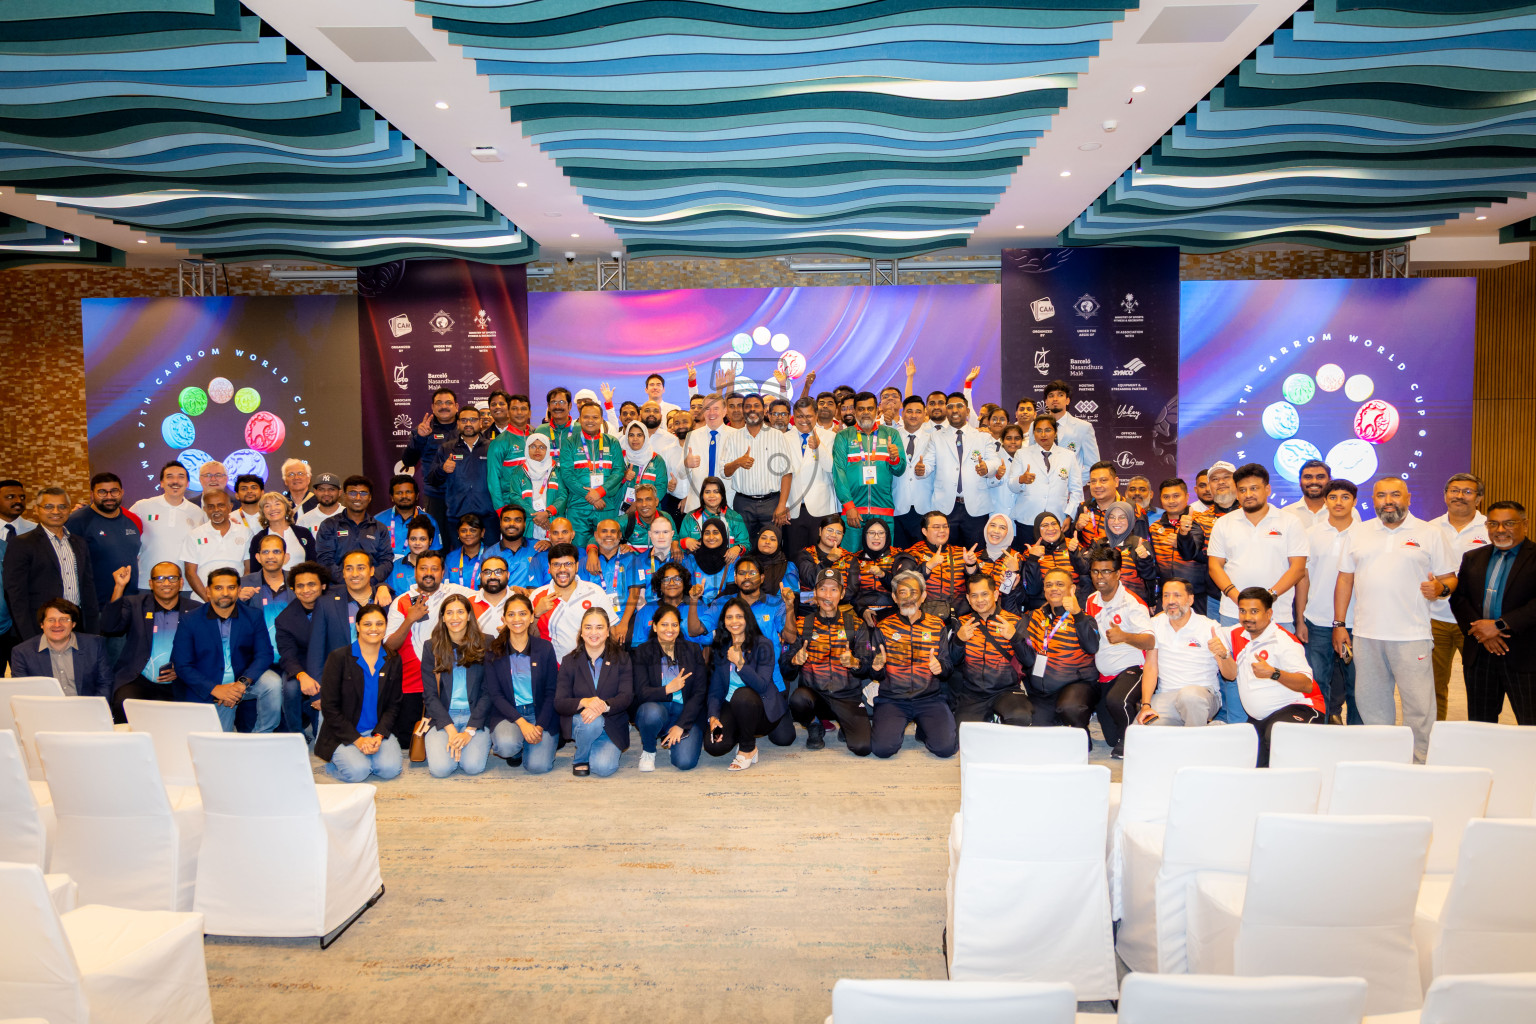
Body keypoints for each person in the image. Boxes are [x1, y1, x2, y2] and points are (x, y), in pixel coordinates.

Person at [1334, 477, 1457, 761]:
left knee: (1419, 707)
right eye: (1381, 495)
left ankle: (1420, 763)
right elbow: (1344, 580)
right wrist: (1340, 624)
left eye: (1395, 495)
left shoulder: (1430, 533)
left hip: (1412, 636)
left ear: (1408, 498)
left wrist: (1440, 588)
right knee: (1372, 704)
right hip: (1367, 635)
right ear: (1373, 499)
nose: (1388, 501)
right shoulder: (1359, 532)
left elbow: (1449, 577)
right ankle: (1383, 761)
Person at [1206, 462, 1307, 723]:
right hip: (1232, 613)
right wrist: (1236, 597)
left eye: (1254, 488)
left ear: (1268, 489)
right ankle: (1238, 730)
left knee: (1279, 672)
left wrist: (1268, 598)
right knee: (1234, 674)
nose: (1248, 494)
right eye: (1243, 490)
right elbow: (1215, 566)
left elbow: (1297, 568)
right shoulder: (1224, 523)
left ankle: (1276, 730)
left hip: (1278, 613)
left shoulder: (1290, 522)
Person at [1211, 588, 1325, 767]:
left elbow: (1307, 685)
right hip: (1260, 719)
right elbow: (1229, 673)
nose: (1247, 617)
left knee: (1280, 736)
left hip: (1300, 708)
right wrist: (1222, 653)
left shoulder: (1284, 641)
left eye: (1254, 611)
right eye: (1243, 611)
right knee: (1248, 763)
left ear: (1269, 613)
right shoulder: (1235, 633)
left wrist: (1274, 673)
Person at [1452, 501, 1535, 724]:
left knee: (1530, 723)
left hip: (1525, 655)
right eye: (1493, 524)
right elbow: (1460, 599)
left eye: (1508, 523)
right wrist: (1482, 633)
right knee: (1480, 723)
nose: (1500, 530)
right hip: (1480, 653)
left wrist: (1498, 626)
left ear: (1524, 525)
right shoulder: (1473, 557)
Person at [169, 566, 281, 732]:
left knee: (273, 683)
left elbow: (264, 654)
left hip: (242, 681)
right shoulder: (190, 620)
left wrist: (242, 684)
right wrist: (215, 689)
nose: (225, 593)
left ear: (238, 590)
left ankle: (262, 735)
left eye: (231, 587)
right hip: (209, 686)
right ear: (208, 591)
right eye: (218, 588)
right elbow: (182, 665)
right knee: (215, 746)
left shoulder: (253, 616)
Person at [385, 551, 474, 751]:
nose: (429, 573)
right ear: (415, 571)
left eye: (434, 569)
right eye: (423, 568)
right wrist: (409, 619)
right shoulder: (401, 601)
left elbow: (488, 596)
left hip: (449, 679)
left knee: (445, 736)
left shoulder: (455, 593)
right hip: (412, 681)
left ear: (443, 572)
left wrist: (516, 590)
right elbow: (390, 646)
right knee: (408, 742)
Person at [1291, 479, 1361, 724]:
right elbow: (1303, 579)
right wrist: (1300, 619)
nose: (1338, 502)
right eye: (1333, 497)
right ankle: (1319, 733)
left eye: (1345, 497)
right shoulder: (1310, 534)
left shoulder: (1365, 534)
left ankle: (1357, 736)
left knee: (1357, 687)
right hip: (1317, 620)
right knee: (1318, 684)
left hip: (1357, 622)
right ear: (1325, 500)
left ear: (1354, 501)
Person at [783, 569, 875, 754]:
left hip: (847, 696)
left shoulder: (856, 624)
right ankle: (814, 725)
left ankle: (846, 725)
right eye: (823, 589)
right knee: (798, 698)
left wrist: (855, 663)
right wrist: (794, 660)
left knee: (863, 747)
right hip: (816, 698)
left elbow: (868, 665)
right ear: (815, 593)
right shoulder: (802, 624)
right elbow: (786, 669)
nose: (827, 595)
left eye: (834, 590)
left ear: (841, 594)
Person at [867, 571, 957, 759]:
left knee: (945, 749)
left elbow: (948, 666)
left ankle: (924, 729)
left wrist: (940, 667)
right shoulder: (883, 627)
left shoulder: (937, 625)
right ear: (894, 597)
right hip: (893, 699)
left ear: (923, 596)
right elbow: (875, 674)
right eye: (902, 593)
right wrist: (876, 668)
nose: (908, 598)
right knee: (882, 750)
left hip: (929, 699)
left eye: (914, 593)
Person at [315, 604, 403, 782]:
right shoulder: (338, 658)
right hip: (343, 732)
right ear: (357, 626)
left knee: (389, 770)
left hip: (376, 730)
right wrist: (358, 740)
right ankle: (337, 760)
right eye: (367, 624)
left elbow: (394, 704)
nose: (374, 629)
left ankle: (365, 753)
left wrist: (378, 735)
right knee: (358, 772)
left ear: (386, 626)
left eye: (379, 624)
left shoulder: (393, 659)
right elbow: (329, 708)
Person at [704, 596, 794, 770]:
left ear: (747, 618)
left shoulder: (764, 645)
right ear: (723, 621)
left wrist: (740, 664)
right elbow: (715, 691)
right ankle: (739, 731)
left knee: (742, 695)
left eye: (739, 616)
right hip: (731, 706)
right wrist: (713, 717)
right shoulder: (722, 648)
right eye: (729, 617)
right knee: (714, 746)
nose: (734, 621)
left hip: (761, 709)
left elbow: (761, 685)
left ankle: (747, 749)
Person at [100, 561, 194, 722]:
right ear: (151, 583)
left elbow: (204, 650)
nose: (166, 583)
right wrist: (119, 587)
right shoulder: (135, 604)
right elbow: (110, 627)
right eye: (160, 578)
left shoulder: (195, 610)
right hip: (137, 679)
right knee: (124, 704)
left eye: (172, 578)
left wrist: (182, 670)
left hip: (178, 682)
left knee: (174, 722)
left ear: (181, 582)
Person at [1428, 473, 1490, 720]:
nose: (1460, 496)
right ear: (1445, 495)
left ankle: (1479, 736)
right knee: (1433, 688)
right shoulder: (1430, 529)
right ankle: (1433, 738)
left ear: (1479, 499)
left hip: (1476, 621)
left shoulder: (1490, 529)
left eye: (1467, 491)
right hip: (1435, 619)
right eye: (1454, 490)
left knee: (1481, 686)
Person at [1084, 544, 1155, 757]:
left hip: (1133, 668)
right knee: (1110, 737)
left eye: (1106, 571)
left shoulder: (1132, 603)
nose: (1100, 577)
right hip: (1105, 675)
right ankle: (1127, 732)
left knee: (1118, 701)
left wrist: (1125, 636)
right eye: (1095, 571)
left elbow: (1150, 641)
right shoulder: (1091, 600)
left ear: (1118, 573)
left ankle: (1132, 742)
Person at [4, 486, 99, 639]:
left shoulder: (79, 543)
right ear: (36, 509)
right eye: (49, 506)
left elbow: (88, 587)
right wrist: (29, 636)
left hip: (77, 625)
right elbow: (16, 595)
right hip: (41, 627)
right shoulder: (22, 544)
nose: (56, 512)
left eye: (62, 506)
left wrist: (93, 630)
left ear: (69, 510)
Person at [484, 593, 561, 773]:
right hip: (508, 714)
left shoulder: (544, 648)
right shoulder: (493, 651)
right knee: (506, 746)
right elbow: (495, 695)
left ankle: (530, 743)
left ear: (531, 616)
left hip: (540, 713)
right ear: (504, 618)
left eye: (522, 613)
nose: (517, 619)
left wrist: (539, 725)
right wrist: (522, 723)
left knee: (538, 767)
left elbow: (552, 691)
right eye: (511, 615)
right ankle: (516, 749)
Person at [419, 593, 493, 777]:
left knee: (472, 767)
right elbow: (430, 695)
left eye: (460, 612)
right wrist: (451, 730)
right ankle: (454, 748)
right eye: (449, 613)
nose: (455, 617)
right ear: (443, 617)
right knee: (440, 770)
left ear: (469, 615)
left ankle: (464, 749)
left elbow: (489, 691)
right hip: (443, 717)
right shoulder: (431, 647)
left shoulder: (486, 643)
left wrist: (469, 730)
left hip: (475, 717)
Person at [1018, 567, 1101, 731]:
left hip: (1076, 686)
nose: (1053, 588)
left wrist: (1077, 614)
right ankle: (1056, 721)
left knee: (1069, 708)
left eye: (1059, 584)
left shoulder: (1083, 618)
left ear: (1072, 589)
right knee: (1035, 731)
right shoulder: (1034, 616)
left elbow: (1092, 647)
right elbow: (1025, 653)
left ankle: (1080, 731)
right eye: (1048, 585)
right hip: (1043, 691)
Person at [1130, 579, 1221, 728]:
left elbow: (1230, 675)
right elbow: (1151, 667)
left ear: (1191, 599)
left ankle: (1196, 745)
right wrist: (1146, 704)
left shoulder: (1210, 627)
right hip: (1166, 696)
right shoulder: (1155, 624)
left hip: (1203, 694)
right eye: (1166, 596)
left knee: (1189, 697)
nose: (1171, 601)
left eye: (1177, 595)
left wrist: (1223, 655)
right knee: (1141, 731)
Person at [555, 606, 634, 776]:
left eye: (599, 627)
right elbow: (560, 702)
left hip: (611, 722)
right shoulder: (569, 661)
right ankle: (581, 758)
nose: (593, 632)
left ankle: (592, 744)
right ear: (581, 632)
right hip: (582, 722)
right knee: (594, 722)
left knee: (603, 768)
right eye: (588, 627)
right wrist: (585, 702)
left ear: (607, 632)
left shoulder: (622, 658)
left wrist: (603, 706)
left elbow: (626, 696)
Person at [948, 573, 1032, 726]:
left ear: (995, 594)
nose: (980, 600)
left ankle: (998, 718)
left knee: (1021, 718)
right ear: (968, 598)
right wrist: (959, 640)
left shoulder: (1014, 621)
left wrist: (1014, 637)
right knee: (963, 736)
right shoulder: (962, 623)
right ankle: (989, 719)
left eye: (984, 594)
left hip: (1006, 691)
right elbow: (951, 662)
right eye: (974, 596)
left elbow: (1030, 660)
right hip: (973, 693)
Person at [632, 604, 708, 771]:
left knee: (685, 762)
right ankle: (649, 750)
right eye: (664, 624)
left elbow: (699, 693)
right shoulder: (643, 651)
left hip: (686, 714)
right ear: (654, 626)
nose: (670, 629)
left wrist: (681, 725)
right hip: (659, 710)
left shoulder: (693, 650)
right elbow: (641, 693)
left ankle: (674, 739)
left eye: (674, 624)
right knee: (649, 712)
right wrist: (668, 688)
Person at [830, 392, 906, 554]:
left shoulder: (891, 434)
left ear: (876, 410)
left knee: (883, 561)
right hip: (854, 510)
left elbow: (900, 470)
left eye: (870, 408)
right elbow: (839, 472)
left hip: (883, 509)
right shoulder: (843, 436)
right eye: (861, 409)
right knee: (850, 559)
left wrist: (894, 459)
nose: (865, 412)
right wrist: (849, 505)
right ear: (855, 412)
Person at [721, 392, 798, 545]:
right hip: (743, 503)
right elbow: (725, 472)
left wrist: (782, 505)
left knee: (771, 547)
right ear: (743, 411)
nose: (752, 409)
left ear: (764, 410)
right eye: (748, 406)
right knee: (743, 545)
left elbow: (787, 473)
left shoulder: (777, 436)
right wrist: (738, 462)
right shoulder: (733, 438)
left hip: (772, 502)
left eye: (756, 406)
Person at [307, 550, 391, 681]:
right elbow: (316, 651)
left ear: (372, 571)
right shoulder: (325, 604)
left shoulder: (387, 602)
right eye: (349, 569)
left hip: (381, 682)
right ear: (343, 573)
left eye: (361, 568)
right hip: (340, 683)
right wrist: (317, 694)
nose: (355, 574)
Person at [930, 390, 999, 549]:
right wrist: (922, 469)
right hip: (946, 506)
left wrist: (986, 467)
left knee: (976, 554)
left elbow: (995, 461)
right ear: (946, 411)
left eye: (959, 406)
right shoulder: (936, 437)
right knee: (947, 555)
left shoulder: (983, 436)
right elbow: (927, 463)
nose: (955, 410)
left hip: (976, 507)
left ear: (967, 411)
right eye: (951, 406)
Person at [66, 472, 142, 611]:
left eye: (114, 491)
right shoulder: (77, 521)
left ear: (122, 492)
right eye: (102, 492)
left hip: (130, 603)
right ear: (92, 494)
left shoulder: (131, 521)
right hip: (95, 606)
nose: (109, 496)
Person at [528, 543, 619, 660]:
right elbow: (529, 638)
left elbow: (611, 630)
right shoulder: (537, 596)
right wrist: (536, 614)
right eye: (556, 564)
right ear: (549, 568)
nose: (562, 570)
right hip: (551, 667)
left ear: (576, 566)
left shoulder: (595, 592)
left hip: (590, 666)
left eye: (568, 564)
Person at [9, 598, 113, 699]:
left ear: (73, 624)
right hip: (45, 711)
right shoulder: (22, 653)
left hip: (85, 709)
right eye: (51, 620)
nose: (57, 625)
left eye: (64, 619)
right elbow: (22, 694)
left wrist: (94, 708)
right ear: (42, 624)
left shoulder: (94, 645)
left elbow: (105, 683)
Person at [128, 463, 206, 595]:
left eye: (180, 477)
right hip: (147, 583)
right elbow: (122, 528)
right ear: (162, 483)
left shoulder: (197, 512)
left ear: (187, 483)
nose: (175, 481)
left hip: (183, 585)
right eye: (169, 477)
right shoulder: (142, 507)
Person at [557, 400, 625, 549]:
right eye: (586, 417)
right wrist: (591, 496)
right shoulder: (569, 443)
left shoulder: (612, 442)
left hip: (605, 505)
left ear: (601, 419)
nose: (590, 421)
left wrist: (599, 492)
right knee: (578, 550)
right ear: (579, 419)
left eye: (595, 417)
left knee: (607, 548)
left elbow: (619, 471)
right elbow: (567, 475)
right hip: (578, 506)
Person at [1007, 415, 1082, 547]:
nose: (1043, 434)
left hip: (1057, 521)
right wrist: (1021, 479)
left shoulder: (1068, 456)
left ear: (1055, 432)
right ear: (1033, 432)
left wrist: (1069, 516)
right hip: (1027, 520)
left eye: (1047, 430)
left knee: (1055, 562)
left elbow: (1076, 490)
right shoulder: (1022, 454)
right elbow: (1012, 485)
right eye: (1038, 430)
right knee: (1026, 561)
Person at [273, 561, 326, 738]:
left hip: (331, 664)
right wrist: (302, 676)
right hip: (302, 667)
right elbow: (287, 655)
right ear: (294, 590)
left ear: (323, 585)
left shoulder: (336, 606)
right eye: (300, 586)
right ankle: (295, 733)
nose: (306, 590)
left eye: (311, 584)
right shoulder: (285, 619)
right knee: (290, 687)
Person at [402, 387, 459, 542]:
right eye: (439, 403)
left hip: (463, 496)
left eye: (448, 403)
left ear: (456, 406)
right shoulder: (423, 429)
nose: (444, 406)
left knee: (465, 542)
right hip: (435, 496)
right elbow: (408, 461)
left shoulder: (466, 428)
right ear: (433, 407)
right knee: (437, 543)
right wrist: (419, 438)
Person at [1072, 501, 1157, 605]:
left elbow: (1149, 576)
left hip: (1133, 604)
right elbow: (1084, 569)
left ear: (1130, 520)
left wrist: (1144, 559)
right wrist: (1074, 552)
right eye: (1112, 517)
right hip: (1103, 603)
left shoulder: (1140, 544)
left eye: (1122, 517)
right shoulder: (1099, 542)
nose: (1116, 522)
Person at [314, 476, 393, 586]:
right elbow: (325, 560)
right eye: (352, 493)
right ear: (344, 496)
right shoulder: (329, 525)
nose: (358, 497)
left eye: (363, 493)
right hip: (338, 589)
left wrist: (369, 581)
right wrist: (349, 581)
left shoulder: (379, 528)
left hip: (371, 588)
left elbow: (386, 561)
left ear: (370, 497)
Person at [182, 488, 250, 602]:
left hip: (236, 600)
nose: (216, 510)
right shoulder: (194, 535)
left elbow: (248, 569)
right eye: (211, 506)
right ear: (205, 509)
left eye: (221, 505)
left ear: (230, 507)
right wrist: (208, 599)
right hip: (202, 601)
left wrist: (236, 597)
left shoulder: (245, 532)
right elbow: (190, 572)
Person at [1147, 478, 1205, 604]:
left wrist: (1182, 540)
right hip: (1167, 597)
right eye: (1166, 497)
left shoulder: (1201, 522)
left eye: (1176, 496)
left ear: (1187, 497)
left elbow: (1207, 557)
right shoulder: (1155, 528)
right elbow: (1154, 566)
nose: (1171, 501)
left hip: (1197, 596)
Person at [891, 395, 938, 548]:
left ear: (925, 414)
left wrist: (924, 470)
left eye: (918, 412)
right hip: (897, 504)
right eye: (909, 411)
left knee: (923, 554)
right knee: (899, 554)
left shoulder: (933, 438)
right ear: (902, 413)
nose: (913, 415)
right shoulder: (892, 436)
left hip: (924, 505)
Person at [239, 534, 293, 662]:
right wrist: (238, 601)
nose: (270, 556)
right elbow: (228, 619)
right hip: (257, 658)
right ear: (258, 557)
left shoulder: (298, 582)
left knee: (293, 683)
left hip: (293, 657)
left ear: (285, 557)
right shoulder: (242, 584)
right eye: (265, 552)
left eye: (276, 551)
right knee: (272, 683)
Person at [500, 433, 563, 542]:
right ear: (527, 448)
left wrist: (547, 513)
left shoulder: (556, 470)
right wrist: (535, 515)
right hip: (529, 521)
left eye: (542, 447)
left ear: (548, 450)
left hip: (551, 520)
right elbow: (514, 496)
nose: (537, 450)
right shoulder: (519, 471)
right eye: (533, 446)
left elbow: (563, 496)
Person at [681, 395, 736, 513]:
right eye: (707, 408)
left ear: (724, 411)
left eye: (716, 408)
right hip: (697, 503)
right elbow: (680, 474)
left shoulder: (736, 436)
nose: (711, 413)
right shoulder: (691, 436)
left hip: (728, 503)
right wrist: (686, 464)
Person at [907, 511, 967, 610]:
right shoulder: (913, 553)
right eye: (936, 527)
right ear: (924, 531)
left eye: (945, 526)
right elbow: (903, 581)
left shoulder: (961, 553)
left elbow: (975, 584)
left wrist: (971, 566)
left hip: (957, 615)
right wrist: (928, 565)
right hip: (923, 616)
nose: (942, 530)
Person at [1021, 511, 1080, 609]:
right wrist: (1033, 560)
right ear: (1037, 530)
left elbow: (1085, 578)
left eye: (1054, 524)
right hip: (1042, 606)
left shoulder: (1073, 545)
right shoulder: (1031, 552)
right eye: (1045, 525)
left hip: (1073, 602)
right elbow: (1032, 590)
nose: (1051, 529)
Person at [847, 519, 900, 625]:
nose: (876, 537)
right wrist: (862, 610)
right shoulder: (854, 559)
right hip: (861, 612)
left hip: (893, 614)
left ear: (887, 535)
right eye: (871, 533)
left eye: (881, 533)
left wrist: (883, 575)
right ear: (864, 535)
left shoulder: (898, 556)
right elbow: (850, 592)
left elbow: (902, 588)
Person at [1041, 379, 1100, 471]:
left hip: (1070, 484)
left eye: (1060, 395)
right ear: (1046, 401)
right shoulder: (1035, 426)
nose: (1055, 399)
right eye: (1051, 396)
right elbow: (1032, 458)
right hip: (1041, 484)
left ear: (1067, 400)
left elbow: (1093, 465)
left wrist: (1074, 482)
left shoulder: (1083, 427)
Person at [246, 491, 316, 569]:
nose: (273, 509)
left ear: (286, 508)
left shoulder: (304, 533)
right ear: (263, 512)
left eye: (277, 504)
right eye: (267, 506)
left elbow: (314, 564)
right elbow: (255, 570)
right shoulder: (258, 539)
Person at [678, 476, 748, 552]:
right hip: (696, 562)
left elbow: (746, 545)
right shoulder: (690, 517)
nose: (711, 496)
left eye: (716, 492)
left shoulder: (735, 517)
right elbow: (677, 543)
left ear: (722, 495)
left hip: (728, 562)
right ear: (702, 496)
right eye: (707, 492)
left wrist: (738, 548)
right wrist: (685, 542)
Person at [795, 515, 852, 602]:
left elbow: (852, 591)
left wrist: (825, 600)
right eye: (829, 530)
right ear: (820, 531)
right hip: (810, 610)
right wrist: (829, 560)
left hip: (840, 609)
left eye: (838, 532)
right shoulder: (805, 554)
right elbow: (811, 581)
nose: (833, 535)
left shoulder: (849, 557)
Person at [682, 519, 738, 607]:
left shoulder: (731, 557)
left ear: (723, 535)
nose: (711, 537)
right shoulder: (692, 557)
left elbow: (732, 589)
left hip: (723, 607)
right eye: (707, 533)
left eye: (715, 532)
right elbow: (688, 587)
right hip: (697, 607)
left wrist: (713, 607)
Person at [618, 422, 669, 511]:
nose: (635, 439)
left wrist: (642, 505)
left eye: (639, 435)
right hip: (622, 509)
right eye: (631, 435)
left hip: (649, 510)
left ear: (645, 437)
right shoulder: (620, 457)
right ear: (626, 437)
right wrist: (623, 477)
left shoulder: (656, 459)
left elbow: (661, 487)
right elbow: (612, 484)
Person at [1283, 459, 1339, 527]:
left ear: (1330, 480)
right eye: (1308, 477)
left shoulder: (1347, 512)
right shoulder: (1286, 513)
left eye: (1320, 477)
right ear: (1300, 482)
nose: (1314, 482)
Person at [389, 516, 436, 596]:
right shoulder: (395, 567)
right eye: (413, 539)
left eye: (422, 539)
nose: (417, 543)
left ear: (430, 541)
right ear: (408, 540)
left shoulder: (438, 566)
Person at [381, 475, 424, 561]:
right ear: (392, 497)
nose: (404, 496)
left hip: (416, 571)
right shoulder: (378, 520)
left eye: (408, 492)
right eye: (399, 493)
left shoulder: (429, 521)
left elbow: (434, 553)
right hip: (385, 572)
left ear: (417, 495)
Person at [444, 514, 488, 590]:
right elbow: (444, 586)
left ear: (482, 532)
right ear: (458, 533)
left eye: (473, 530)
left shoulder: (492, 556)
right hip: (456, 600)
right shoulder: (450, 558)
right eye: (463, 531)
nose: (468, 534)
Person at [471, 555, 513, 634]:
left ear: (508, 575)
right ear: (480, 576)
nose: (492, 576)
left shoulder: (520, 602)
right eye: (487, 572)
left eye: (498, 572)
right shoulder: (468, 603)